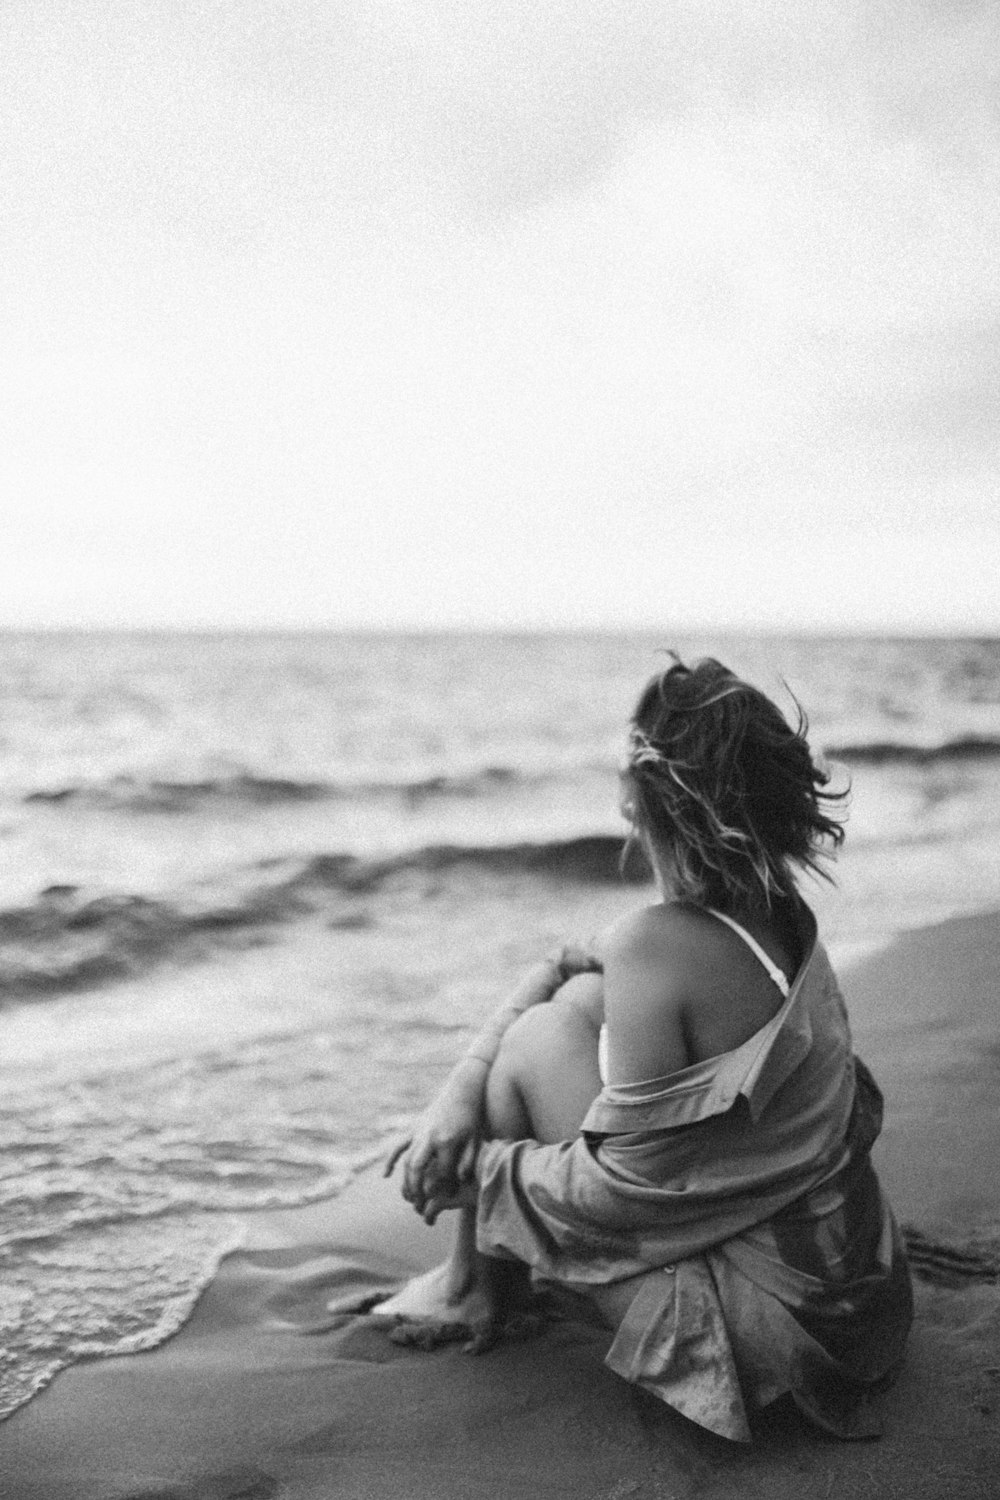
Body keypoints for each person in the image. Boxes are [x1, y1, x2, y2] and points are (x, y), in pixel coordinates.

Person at [379, 656, 913, 1443]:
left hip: (782, 1342)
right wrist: (458, 1092)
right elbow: (568, 962)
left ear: (649, 803)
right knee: (575, 1003)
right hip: (857, 1296)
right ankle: (479, 1282)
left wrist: (481, 1173)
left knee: (534, 1040)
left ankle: (476, 1289)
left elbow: (625, 1195)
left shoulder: (656, 946)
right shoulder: (781, 920)